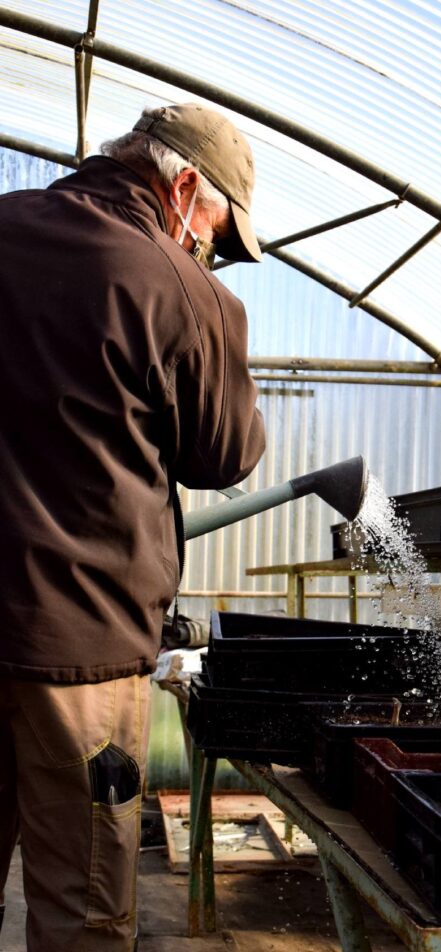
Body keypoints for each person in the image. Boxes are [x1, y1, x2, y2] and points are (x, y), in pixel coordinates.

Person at [0, 102, 266, 951]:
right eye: (217, 236)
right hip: (77, 652)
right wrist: (206, 303)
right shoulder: (177, 288)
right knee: (82, 908)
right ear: (185, 186)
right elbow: (224, 453)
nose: (212, 254)